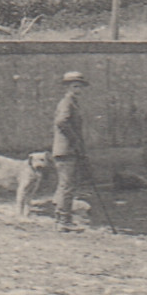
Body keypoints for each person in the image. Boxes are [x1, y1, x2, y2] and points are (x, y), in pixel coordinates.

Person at [51, 71, 91, 232]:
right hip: (66, 150)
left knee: (67, 185)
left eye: (80, 86)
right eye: (74, 86)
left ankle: (62, 218)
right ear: (67, 87)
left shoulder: (73, 102)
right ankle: (63, 221)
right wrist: (74, 141)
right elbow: (61, 122)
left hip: (68, 150)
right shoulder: (67, 102)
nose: (78, 89)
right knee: (67, 186)